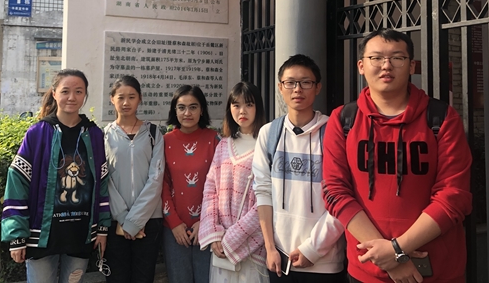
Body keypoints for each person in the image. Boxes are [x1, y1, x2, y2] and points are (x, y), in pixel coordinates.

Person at [322, 28, 473, 283]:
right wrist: (387, 257)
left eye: (397, 58)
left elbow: (454, 195)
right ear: (361, 66)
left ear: (411, 65)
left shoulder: (442, 118)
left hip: (436, 270)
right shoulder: (343, 120)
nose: (386, 65)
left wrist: (397, 250)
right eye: (376, 58)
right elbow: (335, 191)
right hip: (367, 271)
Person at [1, 69, 110, 283]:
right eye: (65, 91)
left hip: (80, 233)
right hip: (41, 235)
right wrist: (16, 236)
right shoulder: (37, 133)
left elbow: (102, 182)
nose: (72, 97)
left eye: (78, 91)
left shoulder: (94, 134)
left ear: (85, 95)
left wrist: (103, 228)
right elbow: (17, 181)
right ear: (54, 93)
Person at [252, 54, 346, 283]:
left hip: (325, 263)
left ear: (318, 87)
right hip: (280, 260)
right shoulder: (268, 133)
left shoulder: (333, 132)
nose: (297, 89)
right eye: (290, 82)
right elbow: (263, 192)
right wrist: (270, 248)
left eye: (306, 82)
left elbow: (343, 196)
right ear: (280, 87)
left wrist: (313, 249)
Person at [199, 81, 270, 283]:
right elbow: (210, 190)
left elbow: (267, 198)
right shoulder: (223, 145)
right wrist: (214, 234)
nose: (242, 111)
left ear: (258, 107)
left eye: (249, 104)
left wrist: (233, 237)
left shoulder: (266, 144)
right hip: (221, 245)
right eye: (236, 105)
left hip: (252, 247)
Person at [103, 76, 165, 283]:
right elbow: (105, 180)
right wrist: (124, 219)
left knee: (144, 277)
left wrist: (135, 221)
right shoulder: (104, 135)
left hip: (149, 221)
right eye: (121, 97)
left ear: (140, 98)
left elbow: (156, 178)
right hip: (115, 221)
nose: (126, 102)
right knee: (116, 278)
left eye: (131, 97)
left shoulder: (154, 134)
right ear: (112, 99)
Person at [162, 85, 219, 283]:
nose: (187, 113)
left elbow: (220, 186)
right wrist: (174, 223)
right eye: (181, 107)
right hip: (174, 229)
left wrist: (205, 221)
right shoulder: (165, 141)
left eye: (193, 107)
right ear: (174, 110)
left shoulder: (215, 140)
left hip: (208, 225)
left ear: (202, 110)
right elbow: (162, 185)